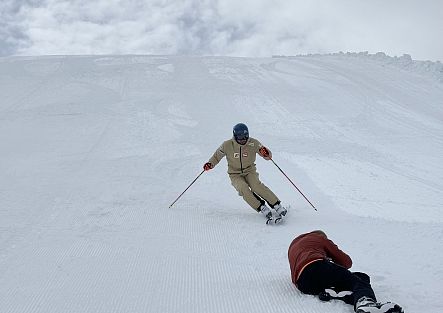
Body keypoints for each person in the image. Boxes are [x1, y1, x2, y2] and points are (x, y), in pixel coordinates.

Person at [288, 230, 404, 313]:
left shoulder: (293, 245)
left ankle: (334, 293)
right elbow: (346, 262)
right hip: (317, 266)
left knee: (360, 276)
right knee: (358, 281)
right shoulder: (319, 238)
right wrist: (330, 256)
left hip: (304, 284)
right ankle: (365, 302)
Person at [203, 123, 287, 222]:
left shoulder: (253, 143)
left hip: (249, 171)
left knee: (256, 186)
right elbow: (217, 156)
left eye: (245, 137)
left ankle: (276, 204)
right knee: (243, 188)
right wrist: (210, 164)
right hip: (235, 174)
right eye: (240, 137)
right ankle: (261, 207)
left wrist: (266, 153)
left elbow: (267, 156)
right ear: (235, 136)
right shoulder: (227, 145)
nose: (243, 139)